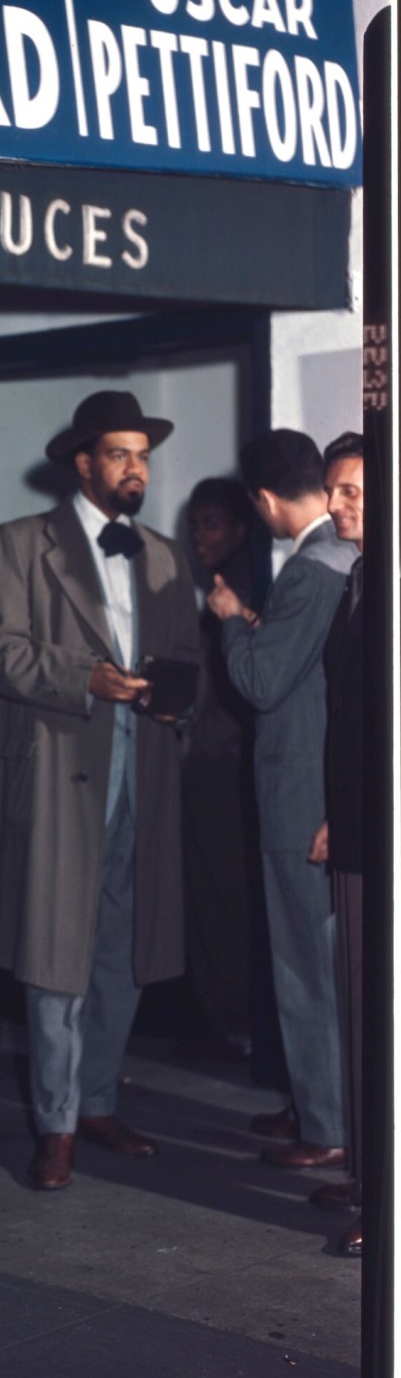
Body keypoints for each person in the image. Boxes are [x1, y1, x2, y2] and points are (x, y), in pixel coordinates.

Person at [0, 390, 199, 1192]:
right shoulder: (21, 544)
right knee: (54, 958)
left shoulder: (166, 556)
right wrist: (83, 677)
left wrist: (175, 695)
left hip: (145, 777)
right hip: (62, 778)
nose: (135, 467)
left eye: (142, 454)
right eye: (119, 453)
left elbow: (186, 667)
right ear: (83, 461)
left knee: (122, 952)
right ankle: (56, 1123)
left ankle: (98, 1099)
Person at [207, 428, 356, 1171]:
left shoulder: (313, 569)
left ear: (265, 500)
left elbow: (263, 683)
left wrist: (233, 618)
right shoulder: (344, 560)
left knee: (305, 965)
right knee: (322, 963)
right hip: (319, 787)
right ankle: (316, 1103)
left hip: (302, 795)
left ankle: (326, 1125)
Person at [305, 432, 365, 1255]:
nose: (337, 503)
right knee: (359, 1006)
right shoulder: (360, 576)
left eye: (353, 489)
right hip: (357, 825)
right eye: (333, 490)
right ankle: (371, 1177)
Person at [180, 479, 260, 1063]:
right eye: (195, 524)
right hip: (211, 762)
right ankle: (225, 1020)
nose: (199, 535)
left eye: (211, 523)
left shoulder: (244, 584)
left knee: (224, 895)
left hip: (224, 767)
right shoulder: (216, 586)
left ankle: (234, 1023)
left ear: (238, 527)